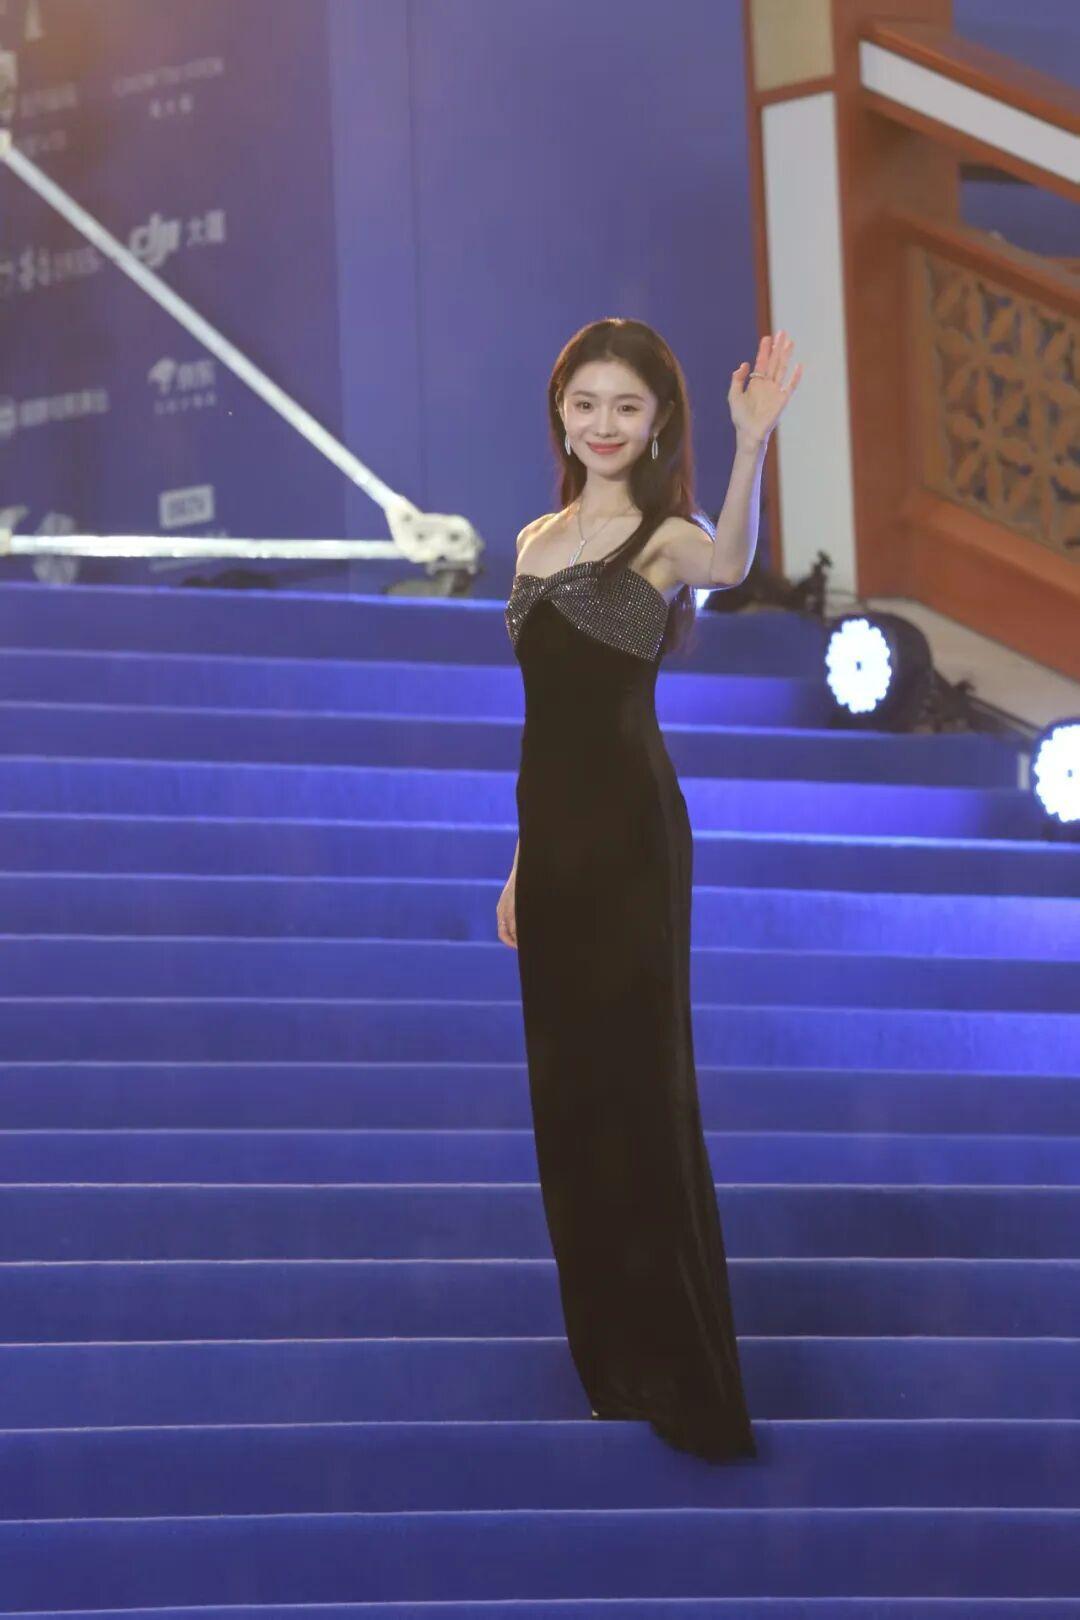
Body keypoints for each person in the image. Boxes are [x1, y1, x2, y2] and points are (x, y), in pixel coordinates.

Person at [496, 316, 801, 1462]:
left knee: (638, 1092)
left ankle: (681, 1371)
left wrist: (753, 442)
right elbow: (544, 725)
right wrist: (521, 858)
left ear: (660, 418)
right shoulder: (532, 541)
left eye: (627, 405)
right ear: (560, 411)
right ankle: (612, 1364)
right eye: (585, 403)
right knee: (567, 1101)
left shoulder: (671, 537)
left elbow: (733, 566)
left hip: (633, 843)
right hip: (554, 850)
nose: (604, 424)